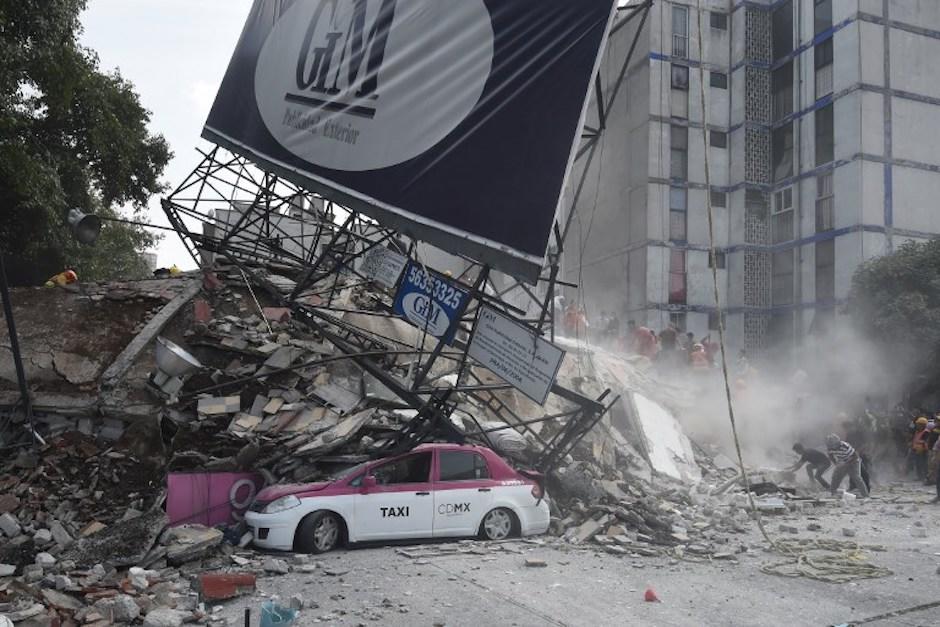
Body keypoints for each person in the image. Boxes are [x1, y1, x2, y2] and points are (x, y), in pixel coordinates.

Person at [826, 433, 869, 498]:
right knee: (836, 476)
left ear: (837, 442)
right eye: (831, 445)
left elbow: (855, 456)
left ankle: (865, 495)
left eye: (834, 445)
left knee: (856, 478)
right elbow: (830, 455)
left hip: (854, 461)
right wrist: (836, 463)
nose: (833, 447)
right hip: (842, 461)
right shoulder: (830, 448)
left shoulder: (844, 445)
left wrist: (845, 463)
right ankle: (833, 493)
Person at [911, 416, 930, 481]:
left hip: (923, 450)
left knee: (924, 464)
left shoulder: (926, 432)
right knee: (917, 464)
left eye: (918, 424)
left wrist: (920, 442)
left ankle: (925, 477)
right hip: (916, 450)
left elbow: (924, 440)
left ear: (923, 425)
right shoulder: (917, 431)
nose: (917, 425)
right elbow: (915, 439)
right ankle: (919, 477)